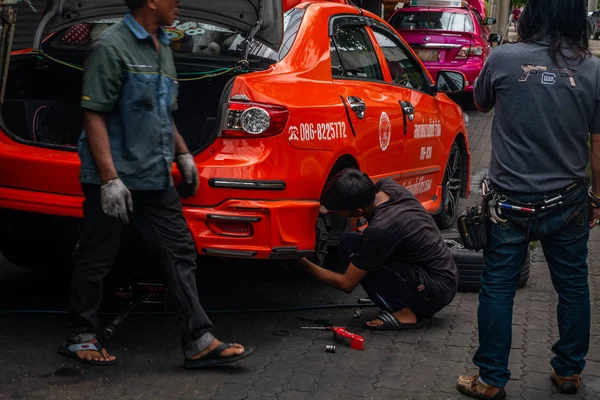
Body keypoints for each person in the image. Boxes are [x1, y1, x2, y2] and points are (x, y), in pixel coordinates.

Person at [58, 0, 253, 369]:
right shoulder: (111, 47)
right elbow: (94, 115)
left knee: (180, 251)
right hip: (114, 177)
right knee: (98, 257)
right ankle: (80, 336)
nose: (178, 3)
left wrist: (183, 155)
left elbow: (162, 113)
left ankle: (198, 340)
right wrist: (109, 180)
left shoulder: (163, 45)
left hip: (154, 175)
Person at [456, 0, 600, 398]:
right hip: (568, 200)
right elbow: (598, 143)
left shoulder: (503, 58)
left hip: (509, 202)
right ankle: (569, 372)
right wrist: (597, 197)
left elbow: (481, 102)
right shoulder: (592, 68)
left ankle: (490, 380)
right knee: (572, 286)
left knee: (498, 286)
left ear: (531, 16)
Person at [296, 169, 459, 330]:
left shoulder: (381, 229)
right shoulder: (387, 186)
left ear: (358, 212)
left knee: (365, 262)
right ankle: (406, 300)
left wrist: (303, 264)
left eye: (339, 212)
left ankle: (404, 314)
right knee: (349, 242)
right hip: (442, 274)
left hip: (435, 291)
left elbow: (346, 284)